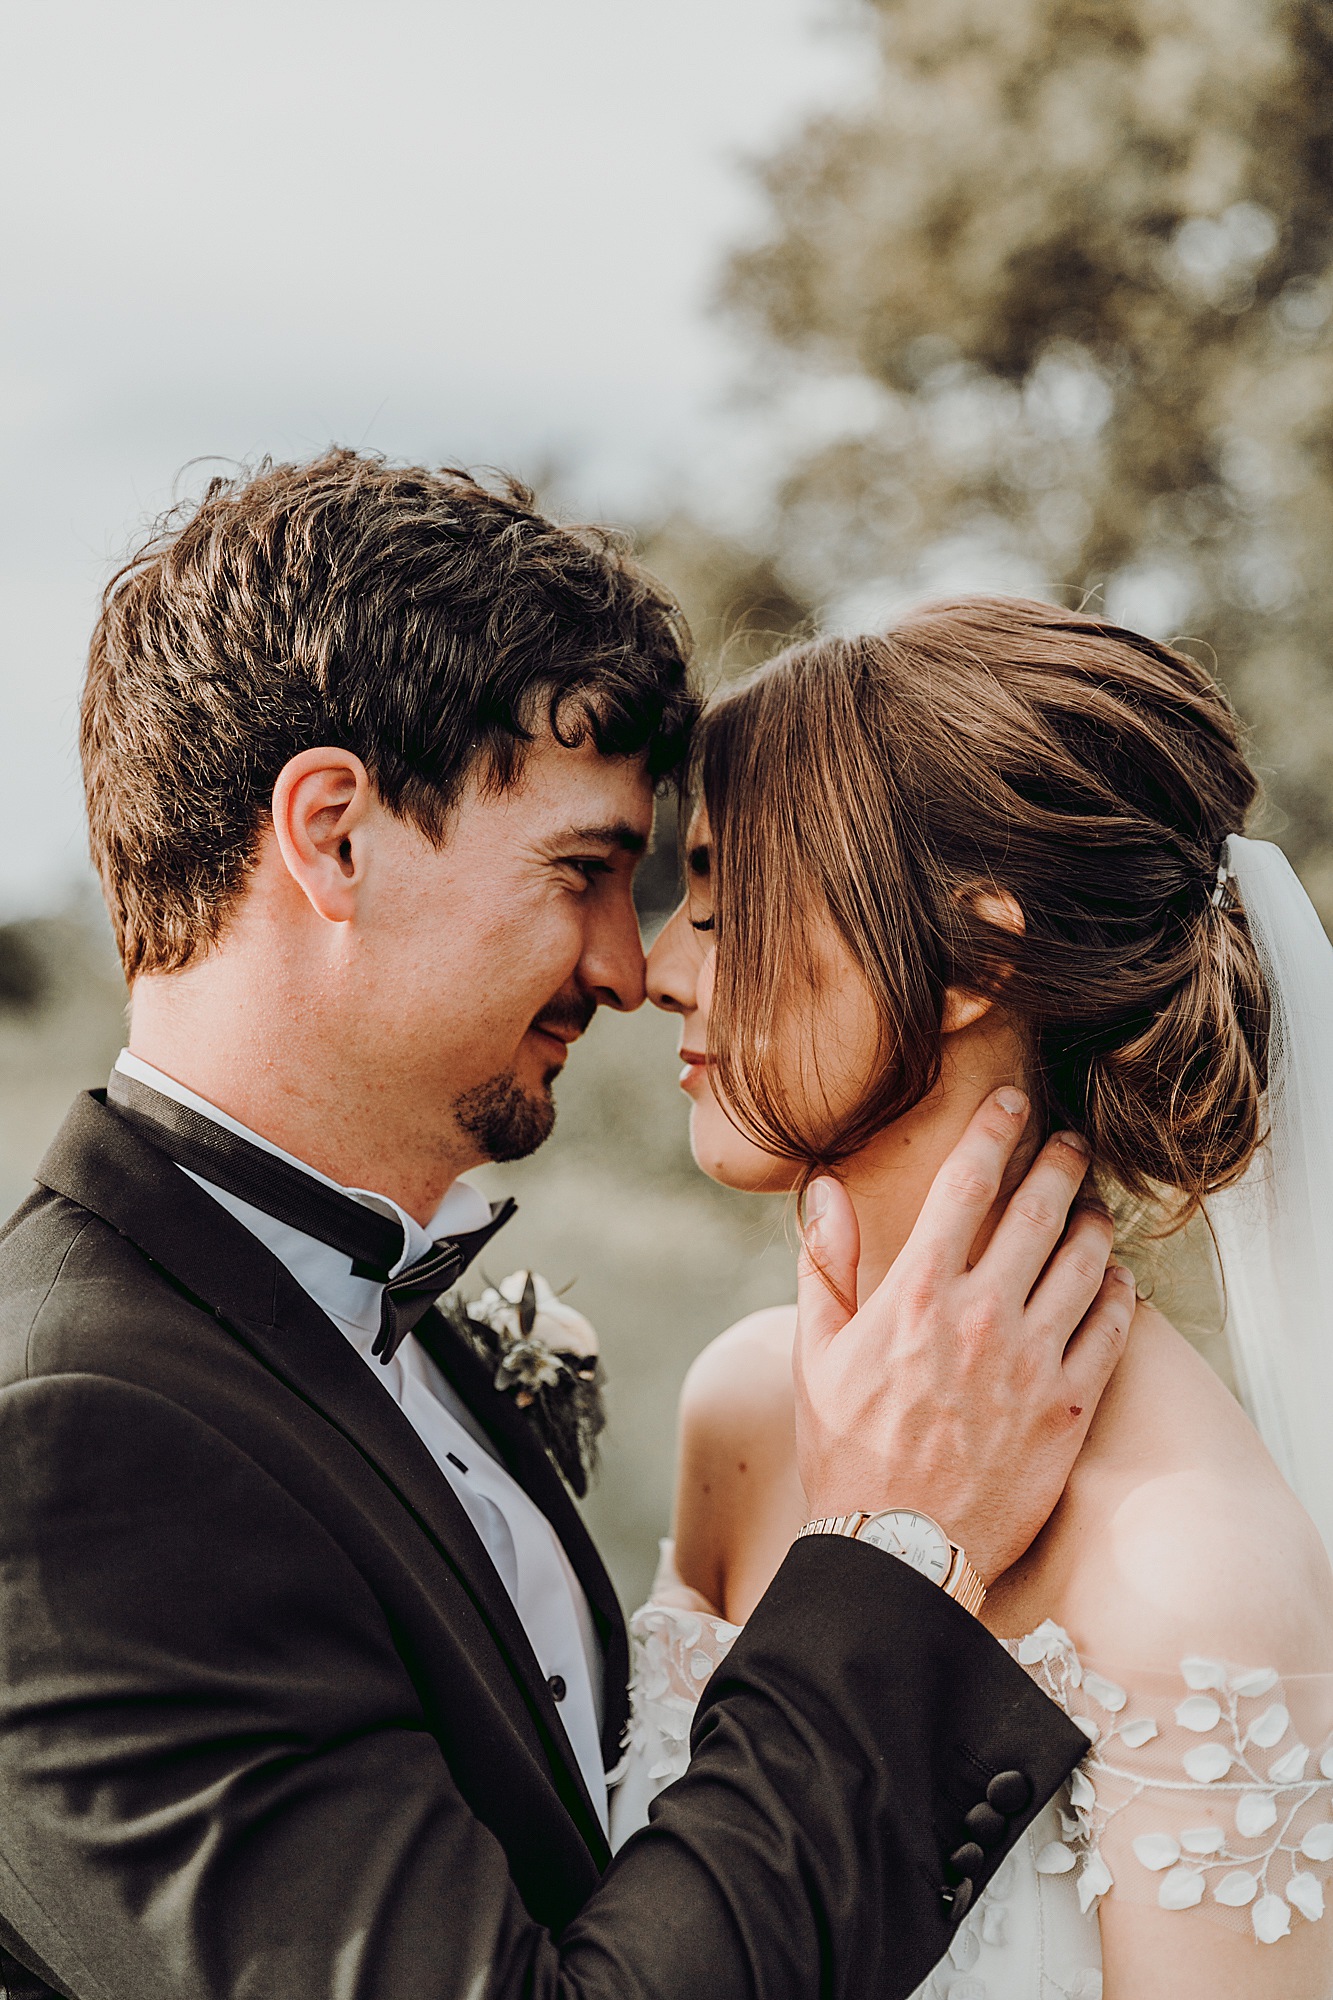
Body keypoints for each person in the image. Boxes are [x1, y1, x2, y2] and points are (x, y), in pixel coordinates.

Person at [0, 456, 1134, 2000]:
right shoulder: (71, 1442)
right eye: (586, 871)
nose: (628, 966)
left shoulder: (386, 1329)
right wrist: (892, 1557)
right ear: (333, 837)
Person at [625, 597, 1333, 1998]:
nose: (657, 970)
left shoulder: (1191, 1572)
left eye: (720, 904)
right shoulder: (742, 1408)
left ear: (972, 957)